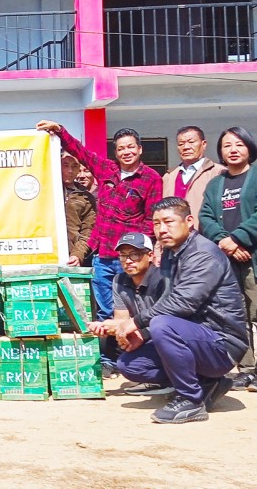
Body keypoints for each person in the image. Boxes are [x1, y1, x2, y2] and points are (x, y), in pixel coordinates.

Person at [36, 120, 162, 377]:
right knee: (105, 310)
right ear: (115, 152)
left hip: (132, 258)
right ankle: (108, 360)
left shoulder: (151, 179)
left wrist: (142, 251)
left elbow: (151, 220)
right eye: (120, 148)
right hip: (103, 255)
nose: (126, 152)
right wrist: (60, 130)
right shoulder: (106, 169)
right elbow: (80, 151)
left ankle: (142, 359)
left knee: (137, 310)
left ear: (139, 150)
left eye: (130, 147)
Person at [114, 197, 248, 424]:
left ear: (189, 221)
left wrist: (135, 322)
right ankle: (207, 382)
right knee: (131, 364)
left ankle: (191, 400)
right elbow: (167, 299)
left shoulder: (203, 253)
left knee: (161, 324)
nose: (162, 229)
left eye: (169, 222)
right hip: (191, 334)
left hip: (221, 343)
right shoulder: (170, 253)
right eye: (157, 224)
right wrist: (143, 335)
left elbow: (183, 303)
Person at [199, 127, 257, 393]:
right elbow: (205, 217)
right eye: (227, 145)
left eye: (239, 144)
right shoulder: (215, 183)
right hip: (226, 259)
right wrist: (225, 242)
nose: (233, 150)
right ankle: (244, 369)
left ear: (249, 148)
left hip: (255, 257)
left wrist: (240, 239)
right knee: (236, 317)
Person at [88, 232, 170, 396]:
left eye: (135, 254)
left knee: (163, 333)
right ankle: (164, 380)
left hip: (165, 334)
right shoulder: (119, 280)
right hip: (141, 334)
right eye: (123, 255)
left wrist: (141, 333)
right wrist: (105, 327)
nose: (128, 260)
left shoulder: (163, 279)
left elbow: (170, 320)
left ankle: (186, 378)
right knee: (108, 344)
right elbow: (121, 320)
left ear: (150, 255)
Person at [161, 126, 224, 226]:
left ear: (204, 144)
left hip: (206, 236)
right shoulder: (169, 177)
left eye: (191, 142)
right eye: (181, 144)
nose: (186, 147)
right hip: (174, 236)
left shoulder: (218, 172)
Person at [60, 151, 96, 266]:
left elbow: (88, 231)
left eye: (74, 166)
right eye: (65, 165)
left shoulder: (86, 197)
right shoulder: (43, 189)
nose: (70, 171)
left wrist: (78, 254)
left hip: (71, 259)